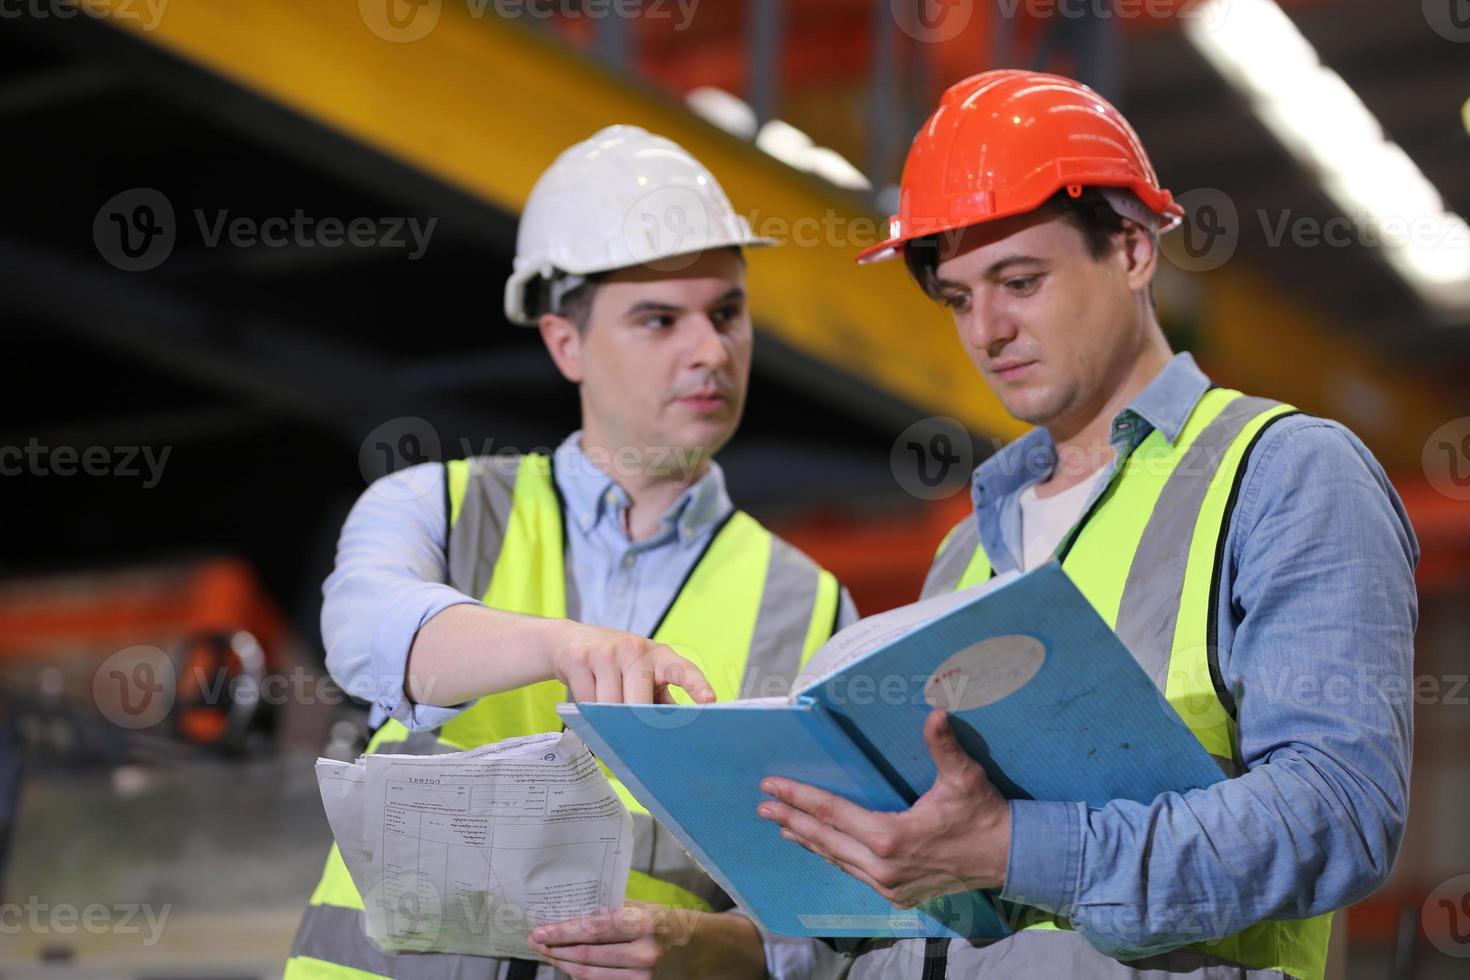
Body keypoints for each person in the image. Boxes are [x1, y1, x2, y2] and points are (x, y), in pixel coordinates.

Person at [756, 69, 1416, 980]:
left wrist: (1014, 848)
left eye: (1019, 280)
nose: (986, 330)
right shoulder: (965, 551)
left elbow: (1337, 815)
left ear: (1135, 250)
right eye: (957, 298)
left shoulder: (1285, 475)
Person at [286, 125, 857, 980]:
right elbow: (368, 631)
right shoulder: (435, 507)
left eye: (727, 313)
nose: (709, 350)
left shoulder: (810, 607)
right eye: (659, 319)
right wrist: (563, 646)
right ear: (565, 342)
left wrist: (717, 951)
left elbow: (837, 909)